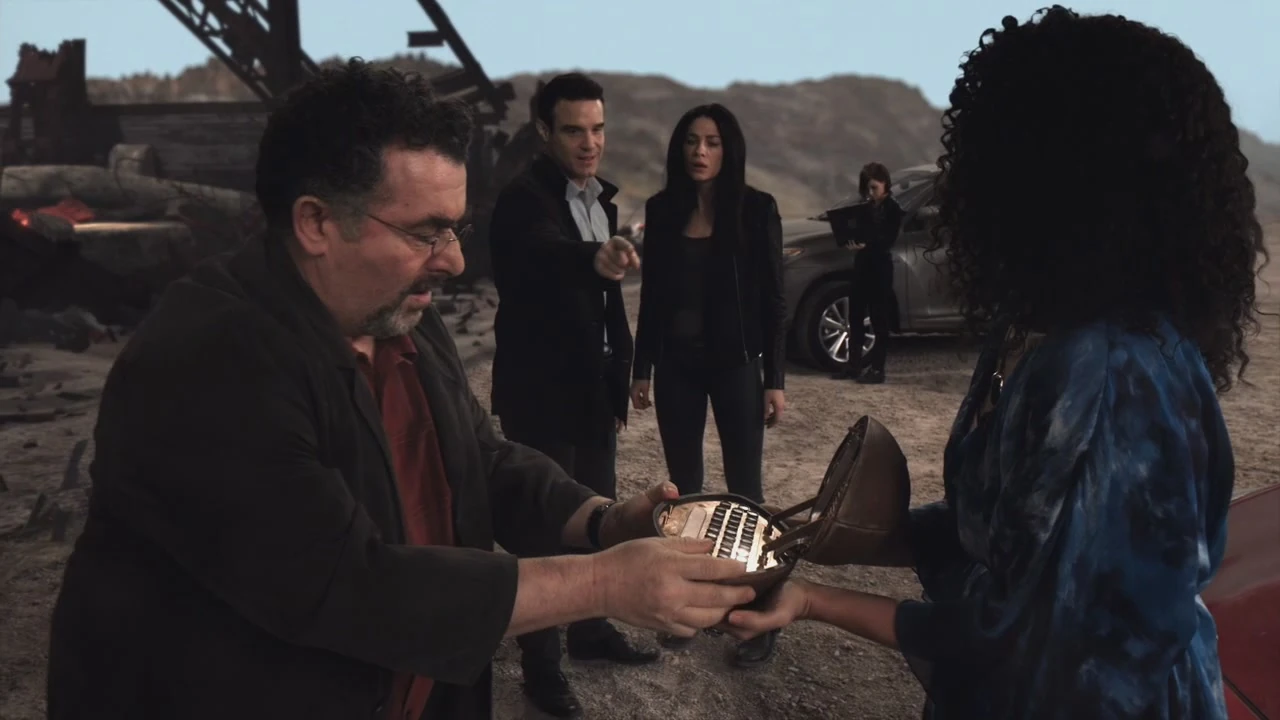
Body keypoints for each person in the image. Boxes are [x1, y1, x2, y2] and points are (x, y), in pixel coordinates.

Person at [45, 60, 758, 720]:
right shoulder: (206, 362)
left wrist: (605, 521)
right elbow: (351, 585)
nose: (453, 260)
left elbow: (480, 460)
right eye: (426, 233)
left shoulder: (395, 312)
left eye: (456, 228)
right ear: (317, 222)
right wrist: (603, 583)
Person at [724, 7, 1269, 719]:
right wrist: (812, 534)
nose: (960, 177)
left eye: (992, 149)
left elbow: (1037, 643)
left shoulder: (1115, 378)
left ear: (1064, 171)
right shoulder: (1030, 329)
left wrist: (811, 601)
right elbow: (1002, 537)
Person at [486, 72, 655, 718]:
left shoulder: (601, 201)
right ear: (543, 131)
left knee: (599, 515)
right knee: (542, 528)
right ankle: (541, 667)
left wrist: (626, 368)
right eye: (574, 130)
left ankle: (589, 629)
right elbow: (544, 255)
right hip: (541, 392)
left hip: (592, 390)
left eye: (598, 129)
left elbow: (609, 302)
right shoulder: (522, 201)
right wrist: (592, 260)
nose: (590, 143)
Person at [628, 103, 787, 667]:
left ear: (728, 149)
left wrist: (774, 380)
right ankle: (689, 608)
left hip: (737, 365)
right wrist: (642, 368)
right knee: (685, 492)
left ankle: (759, 614)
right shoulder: (661, 210)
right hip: (677, 368)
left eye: (712, 142)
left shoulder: (756, 209)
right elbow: (651, 297)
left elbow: (773, 300)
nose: (700, 152)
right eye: (692, 141)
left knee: (747, 492)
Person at [833, 162, 905, 383]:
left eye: (874, 187)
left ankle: (877, 369)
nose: (871, 192)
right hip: (862, 265)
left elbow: (888, 240)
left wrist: (867, 244)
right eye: (868, 188)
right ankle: (854, 365)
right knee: (855, 316)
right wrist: (853, 242)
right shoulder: (864, 208)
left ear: (885, 184)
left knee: (878, 318)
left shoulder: (894, 210)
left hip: (880, 268)